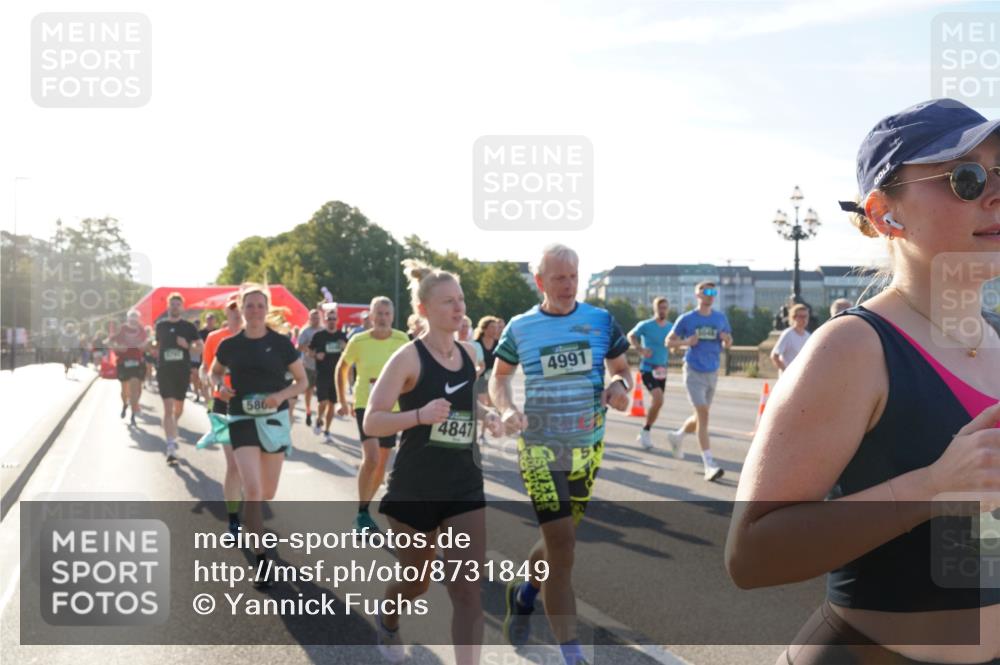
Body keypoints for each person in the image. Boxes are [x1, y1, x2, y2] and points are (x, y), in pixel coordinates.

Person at [727, 98, 1000, 664]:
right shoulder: (852, 348)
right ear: (884, 214)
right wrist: (932, 485)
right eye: (966, 178)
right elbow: (751, 555)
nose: (996, 194)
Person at [491, 243, 631, 665]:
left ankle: (525, 592)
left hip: (587, 448)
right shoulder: (520, 327)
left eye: (574, 276)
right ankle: (572, 654)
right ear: (540, 282)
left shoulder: (600, 320)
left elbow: (622, 367)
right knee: (564, 547)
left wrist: (621, 386)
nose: (569, 285)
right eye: (559, 278)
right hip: (539, 449)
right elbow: (499, 378)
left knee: (557, 543)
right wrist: (507, 408)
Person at [363, 259, 502, 664]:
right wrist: (419, 416)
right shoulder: (408, 358)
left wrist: (487, 416)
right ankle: (388, 621)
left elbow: (466, 403)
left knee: (467, 590)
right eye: (447, 302)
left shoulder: (467, 355)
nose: (458, 309)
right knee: (416, 582)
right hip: (415, 487)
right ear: (424, 310)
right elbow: (373, 419)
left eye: (460, 300)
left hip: (463, 485)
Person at [209, 284, 306, 587]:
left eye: (259, 306)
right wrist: (219, 387)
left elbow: (302, 381)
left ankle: (254, 527)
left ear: (267, 309)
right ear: (240, 308)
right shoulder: (229, 344)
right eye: (248, 305)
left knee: (268, 492)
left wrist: (280, 396)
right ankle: (262, 559)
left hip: (274, 420)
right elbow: (212, 371)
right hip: (241, 419)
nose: (254, 311)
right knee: (252, 490)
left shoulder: (280, 343)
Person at [335, 297, 409, 534]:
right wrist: (341, 399)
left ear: (393, 316)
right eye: (379, 313)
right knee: (373, 458)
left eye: (387, 313)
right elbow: (342, 367)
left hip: (392, 407)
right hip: (365, 405)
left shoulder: (402, 339)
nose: (383, 318)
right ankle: (362, 512)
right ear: (370, 316)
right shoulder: (359, 340)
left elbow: (411, 370)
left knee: (382, 462)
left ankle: (365, 507)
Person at [665, 282, 733, 481]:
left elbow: (729, 342)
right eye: (706, 292)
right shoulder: (687, 319)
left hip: (712, 370)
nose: (710, 295)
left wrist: (726, 339)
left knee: (700, 416)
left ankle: (677, 436)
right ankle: (709, 464)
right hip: (693, 370)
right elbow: (668, 341)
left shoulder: (720, 318)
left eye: (713, 292)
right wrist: (686, 342)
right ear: (697, 295)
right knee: (703, 414)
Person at [201, 294, 244, 535]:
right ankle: (233, 520)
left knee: (251, 466)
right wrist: (218, 387)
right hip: (222, 404)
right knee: (234, 464)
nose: (237, 312)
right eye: (232, 309)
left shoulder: (256, 336)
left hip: (250, 407)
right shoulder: (215, 338)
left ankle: (250, 501)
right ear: (225, 313)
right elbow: (210, 370)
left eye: (240, 308)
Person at [155, 292, 203, 463]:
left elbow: (201, 348)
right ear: (168, 306)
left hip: (182, 371)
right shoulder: (160, 326)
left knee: (178, 409)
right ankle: (171, 445)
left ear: (182, 308)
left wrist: (187, 345)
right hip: (165, 371)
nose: (175, 307)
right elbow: (158, 345)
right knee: (168, 408)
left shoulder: (189, 327)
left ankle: (173, 424)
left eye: (178, 304)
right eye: (172, 304)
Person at [628, 296, 674, 450]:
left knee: (658, 403)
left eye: (665, 308)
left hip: (662, 369)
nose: (663, 310)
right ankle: (646, 431)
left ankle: (645, 430)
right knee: (658, 398)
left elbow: (674, 343)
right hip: (647, 367)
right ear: (655, 309)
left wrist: (675, 347)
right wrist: (640, 349)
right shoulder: (646, 325)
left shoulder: (670, 327)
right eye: (660, 308)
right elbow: (631, 335)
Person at [309, 308, 349, 443]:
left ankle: (327, 430)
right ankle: (319, 418)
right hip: (322, 373)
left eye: (334, 319)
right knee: (323, 401)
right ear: (325, 320)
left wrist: (345, 348)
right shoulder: (319, 336)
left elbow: (350, 355)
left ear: (337, 321)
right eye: (329, 319)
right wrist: (315, 355)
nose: (331, 321)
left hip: (337, 376)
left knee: (332, 404)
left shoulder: (342, 336)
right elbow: (309, 351)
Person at [110, 309, 148, 427]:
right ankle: (125, 404)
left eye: (135, 317)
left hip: (137, 362)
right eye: (131, 317)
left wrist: (144, 346)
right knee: (124, 390)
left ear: (138, 319)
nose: (133, 319)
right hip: (123, 362)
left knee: (134, 389)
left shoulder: (141, 330)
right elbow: (110, 342)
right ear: (128, 318)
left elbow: (146, 344)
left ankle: (133, 412)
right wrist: (118, 348)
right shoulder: (122, 329)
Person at [297, 309, 322, 429]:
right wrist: (309, 348)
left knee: (323, 393)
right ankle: (308, 411)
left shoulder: (324, 331)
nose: (316, 320)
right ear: (309, 319)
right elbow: (299, 347)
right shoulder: (305, 331)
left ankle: (319, 416)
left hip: (323, 366)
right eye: (313, 318)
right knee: (309, 391)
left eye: (317, 318)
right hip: (309, 365)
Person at [771, 304, 811, 377]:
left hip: (802, 377)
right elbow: (774, 356)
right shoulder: (788, 334)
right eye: (801, 316)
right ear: (794, 317)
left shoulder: (808, 336)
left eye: (806, 316)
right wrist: (786, 371)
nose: (804, 319)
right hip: (788, 379)